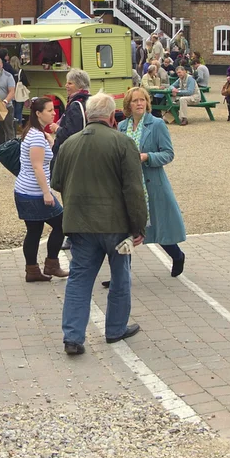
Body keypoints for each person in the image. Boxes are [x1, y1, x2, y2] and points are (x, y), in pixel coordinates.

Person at [50, 92, 147, 355]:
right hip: (115, 225)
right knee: (120, 278)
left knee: (79, 281)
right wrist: (139, 226)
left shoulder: (69, 143)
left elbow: (56, 181)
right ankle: (115, 329)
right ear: (111, 117)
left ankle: (73, 337)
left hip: (79, 224)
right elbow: (134, 189)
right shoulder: (122, 142)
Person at [120, 87, 188, 276]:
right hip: (129, 185)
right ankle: (122, 275)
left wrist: (147, 157)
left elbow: (168, 153)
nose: (139, 103)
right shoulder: (122, 127)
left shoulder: (156, 124)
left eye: (142, 100)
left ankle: (177, 256)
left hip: (152, 183)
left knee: (159, 227)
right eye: (135, 101)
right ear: (128, 105)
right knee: (126, 231)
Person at [16, 97, 68, 282]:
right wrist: (47, 193)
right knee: (62, 224)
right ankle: (51, 263)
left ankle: (33, 270)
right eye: (49, 110)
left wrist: (51, 143)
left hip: (26, 190)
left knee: (34, 230)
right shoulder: (37, 136)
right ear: (38, 114)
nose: (54, 113)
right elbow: (37, 166)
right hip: (34, 192)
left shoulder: (33, 132)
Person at [53, 70, 89, 154]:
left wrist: (57, 129)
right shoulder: (89, 101)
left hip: (71, 150)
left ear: (80, 86)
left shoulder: (75, 105)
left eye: (70, 83)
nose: (66, 86)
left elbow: (71, 132)